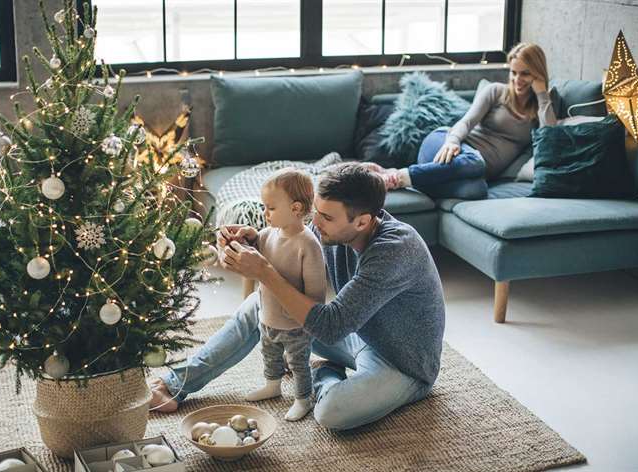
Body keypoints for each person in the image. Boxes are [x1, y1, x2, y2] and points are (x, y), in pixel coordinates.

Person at [150, 163, 445, 431]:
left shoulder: (395, 250)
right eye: (315, 210)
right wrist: (254, 239)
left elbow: (331, 326)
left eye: (326, 216)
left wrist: (264, 272)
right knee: (259, 304)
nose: (314, 220)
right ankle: (175, 384)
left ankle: (324, 372)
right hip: (357, 333)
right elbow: (296, 241)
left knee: (332, 413)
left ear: (363, 221)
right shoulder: (332, 227)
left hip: (401, 363)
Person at [385, 42, 557, 199]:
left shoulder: (543, 107)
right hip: (444, 147)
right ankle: (400, 177)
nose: (517, 80)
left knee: (477, 191)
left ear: (537, 74)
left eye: (525, 74)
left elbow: (550, 141)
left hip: (468, 172)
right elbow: (466, 122)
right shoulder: (496, 91)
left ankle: (421, 180)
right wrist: (452, 141)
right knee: (475, 161)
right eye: (513, 73)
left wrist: (542, 94)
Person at [228, 168, 326, 421]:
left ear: (295, 209)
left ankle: (303, 398)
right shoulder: (269, 233)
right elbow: (256, 249)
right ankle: (272, 386)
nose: (264, 213)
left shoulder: (308, 245)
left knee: (298, 364)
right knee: (269, 355)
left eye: (270, 208)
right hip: (268, 317)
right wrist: (247, 236)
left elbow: (316, 299)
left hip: (294, 325)